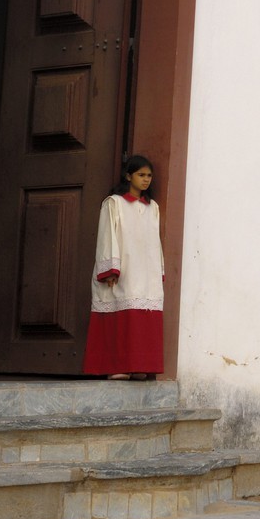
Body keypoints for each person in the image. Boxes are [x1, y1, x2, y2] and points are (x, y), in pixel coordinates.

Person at [83, 155, 164, 380]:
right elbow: (107, 235)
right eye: (141, 175)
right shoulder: (114, 203)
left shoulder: (153, 207)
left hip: (146, 270)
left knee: (144, 312)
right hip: (123, 267)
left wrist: (159, 271)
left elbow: (155, 242)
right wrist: (110, 268)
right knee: (120, 308)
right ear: (129, 176)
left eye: (149, 176)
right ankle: (117, 366)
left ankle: (139, 365)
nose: (146, 180)